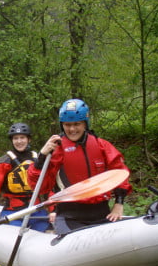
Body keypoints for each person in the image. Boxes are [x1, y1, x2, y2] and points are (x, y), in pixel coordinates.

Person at [28, 99, 132, 235]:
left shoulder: (101, 145)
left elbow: (119, 173)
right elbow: (39, 187)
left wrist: (119, 203)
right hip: (70, 215)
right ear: (62, 125)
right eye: (67, 125)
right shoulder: (56, 150)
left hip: (101, 213)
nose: (72, 129)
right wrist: (41, 157)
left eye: (77, 124)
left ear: (85, 124)